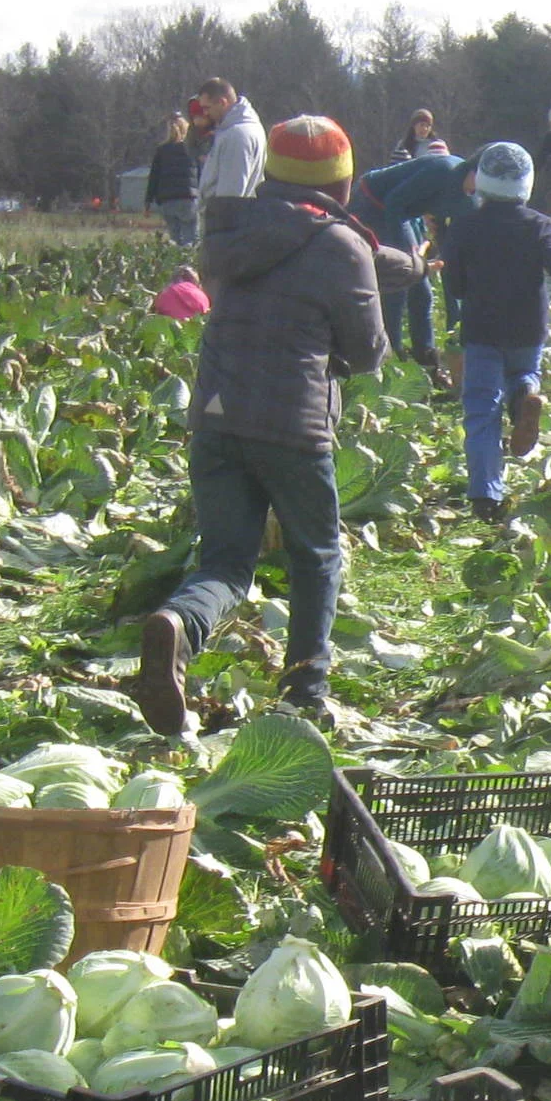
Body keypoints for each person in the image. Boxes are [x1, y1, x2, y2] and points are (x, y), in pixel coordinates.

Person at [134, 116, 418, 735]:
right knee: (315, 555)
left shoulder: (231, 227)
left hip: (214, 415)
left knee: (227, 563)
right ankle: (304, 691)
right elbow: (368, 351)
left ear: (273, 176)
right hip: (293, 423)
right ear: (341, 186)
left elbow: (316, 256)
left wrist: (404, 265)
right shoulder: (341, 246)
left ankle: (180, 625)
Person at [438, 142, 551, 524]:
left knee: (481, 407)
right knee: (524, 371)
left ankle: (486, 495)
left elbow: (453, 285)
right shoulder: (539, 224)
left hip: (483, 329)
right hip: (527, 328)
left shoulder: (465, 226)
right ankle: (525, 395)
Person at [350, 149, 478, 373]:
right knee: (398, 283)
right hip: (372, 203)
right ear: (473, 170)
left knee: (422, 290)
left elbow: (447, 232)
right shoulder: (445, 171)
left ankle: (426, 358)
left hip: (402, 213)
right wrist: (408, 256)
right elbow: (393, 202)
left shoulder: (470, 198)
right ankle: (389, 355)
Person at [192, 77, 265, 210]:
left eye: (207, 108)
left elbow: (230, 196)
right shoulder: (240, 129)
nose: (205, 113)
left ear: (222, 102)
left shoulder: (237, 136)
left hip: (225, 223)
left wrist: (218, 224)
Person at [145, 112, 199, 247]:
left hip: (167, 200)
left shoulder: (162, 150)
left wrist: (148, 202)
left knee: (175, 239)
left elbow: (154, 177)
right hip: (188, 198)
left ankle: (176, 265)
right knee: (191, 239)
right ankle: (189, 265)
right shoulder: (193, 148)